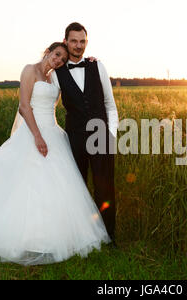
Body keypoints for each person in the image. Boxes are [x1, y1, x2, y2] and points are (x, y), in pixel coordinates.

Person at [0, 42, 111, 266]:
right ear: (48, 51)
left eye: (62, 59)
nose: (58, 60)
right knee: (26, 183)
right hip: (34, 133)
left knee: (57, 186)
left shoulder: (54, 77)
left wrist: (90, 60)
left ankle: (53, 234)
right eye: (56, 55)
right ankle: (22, 235)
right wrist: (37, 136)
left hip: (54, 134)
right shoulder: (29, 70)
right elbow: (24, 107)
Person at [55, 22, 119, 245]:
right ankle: (81, 237)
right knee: (78, 188)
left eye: (82, 41)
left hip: (101, 136)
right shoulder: (57, 73)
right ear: (66, 42)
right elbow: (47, 103)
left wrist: (111, 134)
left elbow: (110, 105)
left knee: (105, 188)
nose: (78, 45)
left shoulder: (97, 66)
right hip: (74, 138)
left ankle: (109, 237)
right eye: (74, 41)